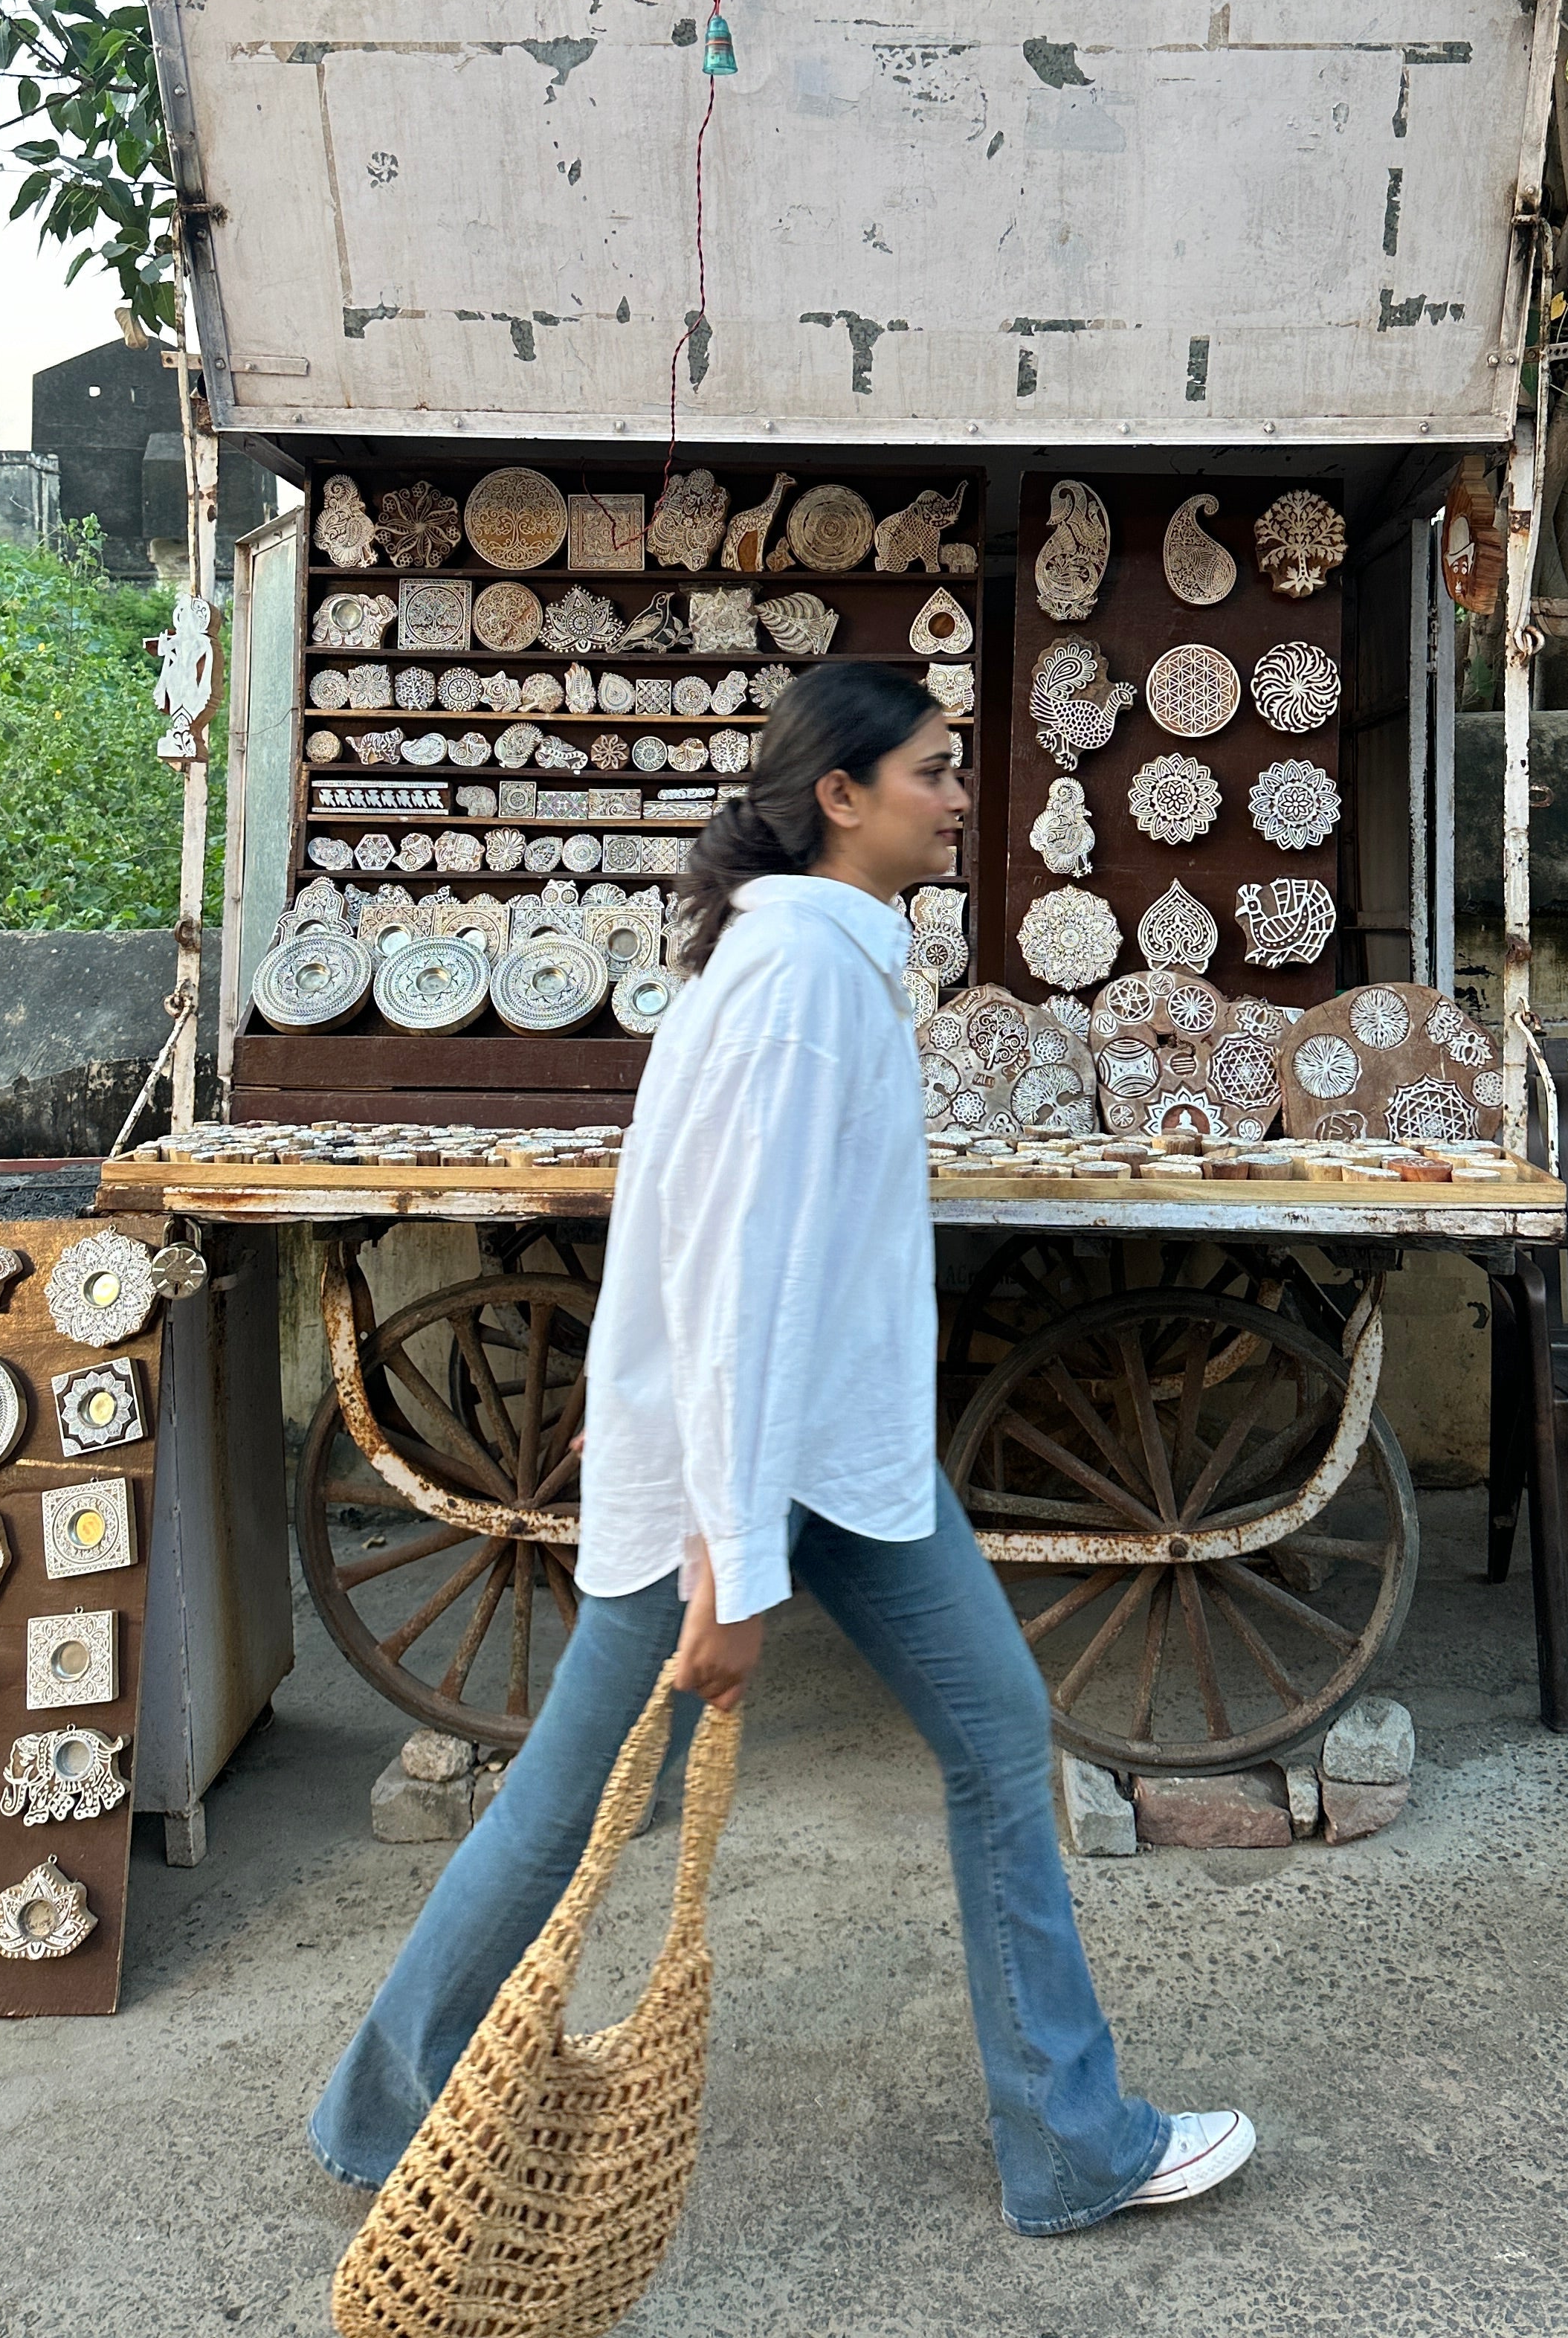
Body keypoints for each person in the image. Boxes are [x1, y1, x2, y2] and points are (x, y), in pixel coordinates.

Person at [309, 660, 1255, 2232]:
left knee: (999, 1741)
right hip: (749, 1479)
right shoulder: (801, 985)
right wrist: (733, 1567)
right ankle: (383, 2121)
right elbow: (740, 1287)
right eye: (935, 773)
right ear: (842, 795)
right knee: (569, 1803)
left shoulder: (815, 962)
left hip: (846, 1470)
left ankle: (1075, 2144)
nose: (960, 799)